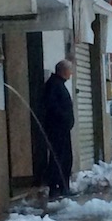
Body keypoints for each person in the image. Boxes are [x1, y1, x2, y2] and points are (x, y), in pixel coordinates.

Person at [44, 60, 75, 199]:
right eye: (70, 70)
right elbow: (51, 106)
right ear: (63, 71)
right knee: (58, 158)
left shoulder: (59, 84)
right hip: (57, 129)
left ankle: (63, 186)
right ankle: (55, 187)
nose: (71, 73)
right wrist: (63, 118)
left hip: (62, 129)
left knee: (65, 158)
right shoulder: (53, 85)